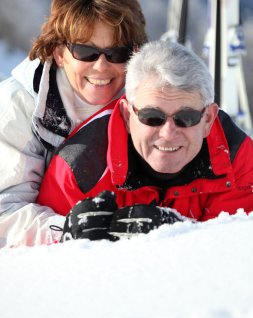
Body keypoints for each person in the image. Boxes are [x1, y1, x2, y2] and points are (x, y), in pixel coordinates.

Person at [38, 39, 253, 242]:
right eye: (152, 117)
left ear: (208, 119)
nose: (168, 132)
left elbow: (235, 258)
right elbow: (37, 264)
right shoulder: (80, 168)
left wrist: (181, 233)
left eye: (186, 118)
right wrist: (66, 241)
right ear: (127, 115)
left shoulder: (238, 159)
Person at [0, 0, 147, 247]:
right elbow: (4, 213)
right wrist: (68, 232)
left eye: (117, 53)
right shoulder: (18, 106)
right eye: (85, 52)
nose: (102, 67)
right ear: (59, 53)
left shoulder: (147, 104)